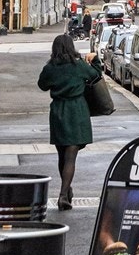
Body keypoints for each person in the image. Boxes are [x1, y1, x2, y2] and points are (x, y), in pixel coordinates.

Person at [38, 33, 101, 211]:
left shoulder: (51, 67)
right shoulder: (78, 65)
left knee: (62, 154)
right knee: (71, 157)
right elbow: (96, 75)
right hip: (77, 111)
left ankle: (67, 190)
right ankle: (63, 195)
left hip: (58, 111)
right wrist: (95, 59)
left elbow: (42, 85)